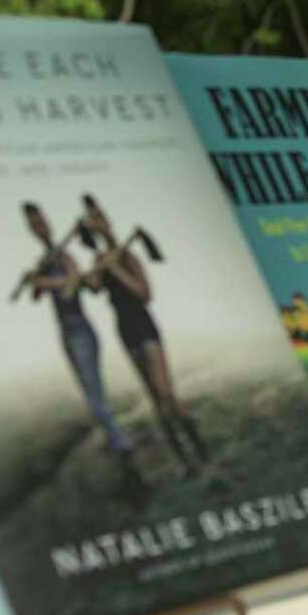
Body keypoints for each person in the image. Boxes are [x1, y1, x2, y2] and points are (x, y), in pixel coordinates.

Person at [17, 200, 145, 500]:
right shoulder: (46, 258)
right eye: (32, 225)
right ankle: (125, 467)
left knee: (98, 402)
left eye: (40, 221)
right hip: (65, 333)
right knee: (92, 402)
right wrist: (33, 277)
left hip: (81, 331)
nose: (39, 227)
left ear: (48, 222)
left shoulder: (66, 256)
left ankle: (129, 463)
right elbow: (37, 296)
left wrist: (43, 279)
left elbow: (70, 286)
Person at [79, 195, 205, 476]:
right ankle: (184, 461)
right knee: (154, 399)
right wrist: (89, 276)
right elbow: (95, 288)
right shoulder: (100, 258)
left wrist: (115, 269)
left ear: (107, 220)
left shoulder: (128, 256)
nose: (97, 224)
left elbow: (144, 294)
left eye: (99, 217)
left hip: (144, 324)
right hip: (124, 330)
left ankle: (195, 439)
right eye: (92, 221)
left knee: (165, 392)